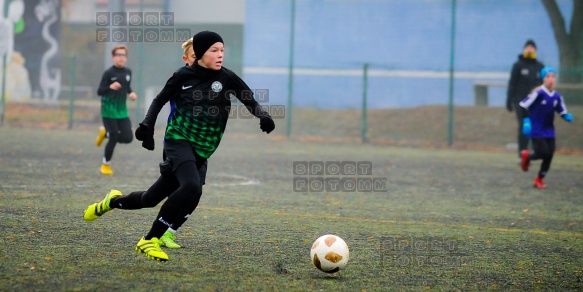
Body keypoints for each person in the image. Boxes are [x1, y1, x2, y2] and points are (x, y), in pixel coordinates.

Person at [83, 31, 276, 261]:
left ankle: (111, 202)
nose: (220, 55)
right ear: (201, 53)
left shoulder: (227, 78)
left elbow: (249, 99)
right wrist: (147, 125)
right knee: (191, 186)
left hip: (202, 149)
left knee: (150, 199)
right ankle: (150, 240)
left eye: (222, 50)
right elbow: (160, 99)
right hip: (178, 140)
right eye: (214, 50)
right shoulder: (183, 76)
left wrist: (262, 116)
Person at [519, 67, 574, 189]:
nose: (550, 79)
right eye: (547, 77)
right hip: (537, 129)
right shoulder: (538, 93)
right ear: (543, 79)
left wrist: (566, 116)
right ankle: (527, 157)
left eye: (553, 77)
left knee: (550, 154)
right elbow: (523, 105)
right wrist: (526, 121)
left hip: (549, 130)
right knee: (543, 153)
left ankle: (539, 179)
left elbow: (561, 109)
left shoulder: (557, 96)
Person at [95, 44, 138, 175]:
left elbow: (127, 86)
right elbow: (99, 91)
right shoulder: (108, 73)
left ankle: (105, 134)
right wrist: (110, 87)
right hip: (108, 110)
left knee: (128, 137)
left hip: (122, 111)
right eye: (118, 55)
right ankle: (105, 165)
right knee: (114, 136)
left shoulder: (128, 72)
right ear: (113, 57)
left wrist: (131, 93)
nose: (121, 57)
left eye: (123, 55)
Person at [506, 39, 544, 161]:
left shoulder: (540, 67)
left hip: (535, 103)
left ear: (535, 50)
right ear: (524, 49)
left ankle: (535, 153)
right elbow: (512, 83)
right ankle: (522, 154)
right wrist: (509, 100)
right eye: (527, 47)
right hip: (520, 101)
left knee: (535, 126)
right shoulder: (518, 65)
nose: (529, 49)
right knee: (524, 125)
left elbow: (544, 85)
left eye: (532, 47)